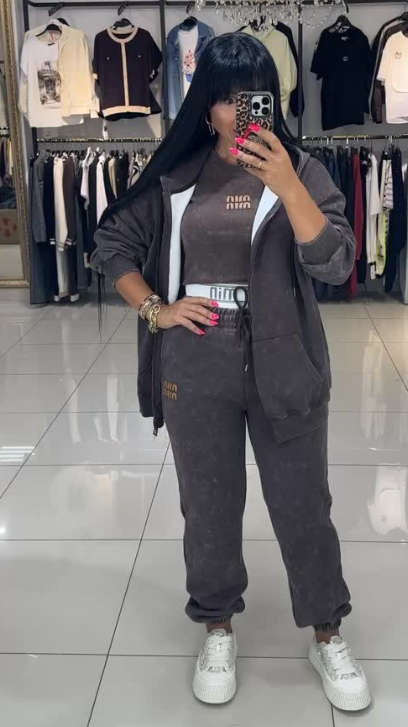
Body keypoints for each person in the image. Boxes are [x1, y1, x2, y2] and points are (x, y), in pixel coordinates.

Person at [91, 33, 371, 712]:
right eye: (225, 98)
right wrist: (156, 310)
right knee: (209, 504)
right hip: (197, 359)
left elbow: (337, 261)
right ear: (206, 105)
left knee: (303, 505)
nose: (238, 111)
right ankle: (217, 624)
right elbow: (111, 244)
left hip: (285, 357)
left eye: (253, 96)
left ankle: (327, 630)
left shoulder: (303, 170)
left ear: (271, 99)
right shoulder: (178, 174)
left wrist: (286, 185)